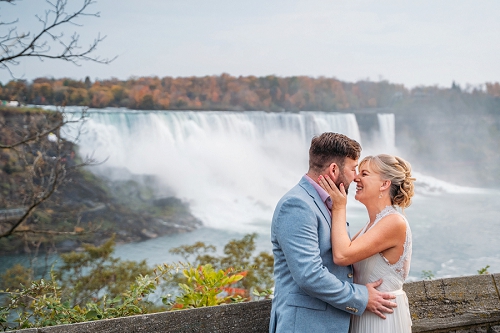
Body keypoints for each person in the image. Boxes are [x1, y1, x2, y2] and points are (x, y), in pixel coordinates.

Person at [269, 133, 397, 333]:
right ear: (334, 169)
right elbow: (309, 275)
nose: (356, 177)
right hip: (306, 326)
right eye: (353, 169)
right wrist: (361, 297)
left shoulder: (331, 202)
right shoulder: (297, 205)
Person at [318, 154, 416, 333]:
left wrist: (339, 207)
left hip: (382, 320)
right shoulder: (372, 225)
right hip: (366, 312)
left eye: (364, 174)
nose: (356, 178)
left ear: (384, 184)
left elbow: (341, 256)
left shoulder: (394, 222)